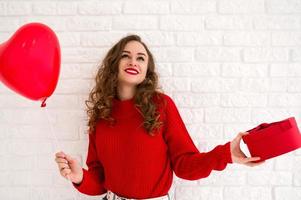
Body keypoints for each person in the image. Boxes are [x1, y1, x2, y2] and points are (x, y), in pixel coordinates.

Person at [55, 35, 264, 200]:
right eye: (125, 55)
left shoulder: (161, 106)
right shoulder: (101, 116)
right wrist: (80, 177)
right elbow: (99, 180)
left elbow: (185, 165)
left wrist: (226, 153)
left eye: (141, 58)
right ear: (114, 64)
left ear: (147, 70)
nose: (133, 61)